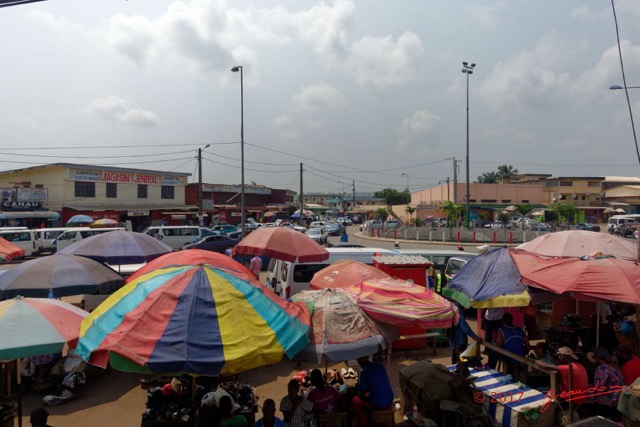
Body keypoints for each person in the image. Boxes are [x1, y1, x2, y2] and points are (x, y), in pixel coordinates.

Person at [352, 356, 394, 427]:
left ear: (359, 363)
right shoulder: (380, 366)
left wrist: (360, 388)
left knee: (355, 400)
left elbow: (362, 395)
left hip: (378, 404)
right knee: (372, 394)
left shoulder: (364, 372)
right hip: (390, 398)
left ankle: (364, 424)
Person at [590, 347, 625, 421]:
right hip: (618, 401)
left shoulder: (602, 368)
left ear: (597, 357)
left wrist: (588, 396)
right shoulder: (614, 366)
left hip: (607, 402)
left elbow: (599, 387)